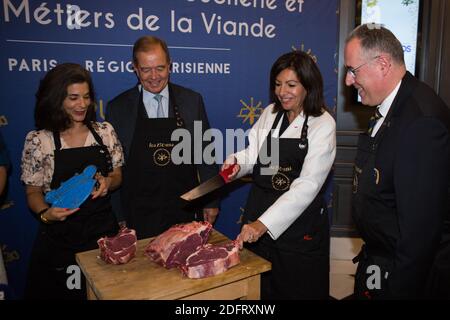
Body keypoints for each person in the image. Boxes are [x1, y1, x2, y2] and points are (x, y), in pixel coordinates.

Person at [344, 24, 450, 299]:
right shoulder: (389, 105)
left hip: (406, 275)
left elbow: (419, 238)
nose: (347, 80)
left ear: (382, 64)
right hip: (378, 261)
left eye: (353, 70)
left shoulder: (421, 123)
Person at [222, 51, 336, 300]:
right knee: (262, 291)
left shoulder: (322, 123)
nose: (282, 91)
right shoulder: (271, 114)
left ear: (308, 85)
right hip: (259, 215)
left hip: (299, 230)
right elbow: (254, 155)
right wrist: (235, 165)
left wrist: (263, 224)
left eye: (291, 85)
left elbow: (307, 185)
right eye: (277, 84)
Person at [21, 63, 124, 300]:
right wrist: (47, 214)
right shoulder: (40, 141)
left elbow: (118, 176)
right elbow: (32, 192)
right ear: (57, 99)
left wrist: (108, 182)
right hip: (60, 241)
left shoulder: (104, 132)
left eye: (86, 97)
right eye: (74, 98)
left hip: (103, 236)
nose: (82, 104)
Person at [106, 36, 219, 239]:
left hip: (184, 208)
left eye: (160, 68)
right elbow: (113, 168)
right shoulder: (118, 108)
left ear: (170, 66)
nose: (154, 76)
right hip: (138, 213)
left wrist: (210, 201)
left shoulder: (192, 101)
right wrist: (118, 214)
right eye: (146, 69)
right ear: (135, 68)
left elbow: (206, 155)